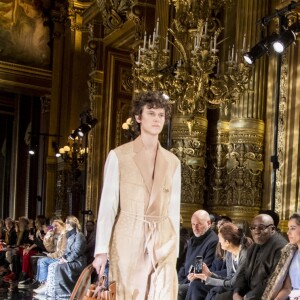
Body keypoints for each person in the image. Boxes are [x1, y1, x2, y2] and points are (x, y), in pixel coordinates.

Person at [93, 91, 181, 299]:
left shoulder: (173, 162)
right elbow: (108, 205)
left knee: (164, 293)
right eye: (151, 113)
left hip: (163, 238)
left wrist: (175, 251)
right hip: (128, 236)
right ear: (138, 117)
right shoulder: (119, 156)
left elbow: (173, 209)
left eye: (161, 115)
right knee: (128, 293)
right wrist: (101, 250)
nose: (157, 119)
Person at [186, 223, 253, 300]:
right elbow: (228, 278)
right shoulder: (229, 253)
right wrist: (210, 274)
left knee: (215, 293)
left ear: (227, 242)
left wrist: (207, 279)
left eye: (220, 240)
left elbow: (233, 283)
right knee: (197, 285)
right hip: (232, 285)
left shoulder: (244, 255)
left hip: (241, 287)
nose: (219, 242)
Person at [233, 213, 287, 300]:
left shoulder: (281, 248)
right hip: (247, 292)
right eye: (253, 227)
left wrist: (248, 296)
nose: (256, 231)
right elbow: (242, 272)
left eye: (261, 227)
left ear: (272, 229)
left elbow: (273, 280)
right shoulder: (253, 246)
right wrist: (237, 292)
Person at [34, 215, 86, 299]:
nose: (65, 224)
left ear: (70, 224)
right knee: (51, 265)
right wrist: (48, 236)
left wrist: (66, 259)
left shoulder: (79, 235)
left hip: (77, 262)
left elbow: (77, 251)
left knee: (55, 266)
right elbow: (63, 250)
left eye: (66, 223)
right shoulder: (69, 236)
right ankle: (50, 289)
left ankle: (61, 292)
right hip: (69, 259)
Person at [178, 210, 219, 300]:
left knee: (178, 290)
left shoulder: (213, 241)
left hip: (198, 281)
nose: (195, 228)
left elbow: (205, 267)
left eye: (198, 224)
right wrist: (179, 279)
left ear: (208, 223)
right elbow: (184, 264)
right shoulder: (192, 239)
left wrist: (185, 281)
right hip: (186, 279)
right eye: (193, 224)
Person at [262, 212, 300, 300]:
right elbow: (287, 288)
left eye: (293, 228)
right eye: (288, 228)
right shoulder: (290, 253)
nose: (288, 232)